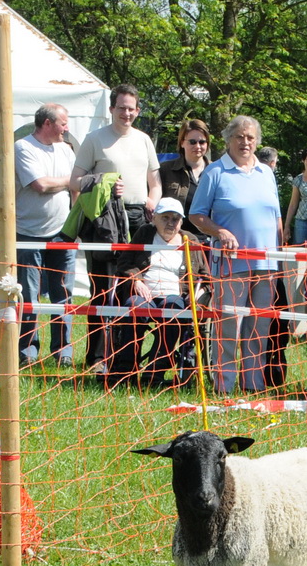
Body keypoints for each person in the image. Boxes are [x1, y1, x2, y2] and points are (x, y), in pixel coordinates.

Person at [189, 114, 282, 393]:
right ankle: (224, 386)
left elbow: (276, 217)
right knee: (228, 325)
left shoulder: (266, 173)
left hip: (267, 263)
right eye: (239, 136)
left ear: (257, 141)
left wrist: (280, 252)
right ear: (228, 139)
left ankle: (253, 384)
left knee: (259, 328)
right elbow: (196, 215)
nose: (245, 142)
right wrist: (220, 232)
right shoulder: (215, 172)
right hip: (231, 263)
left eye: (250, 137)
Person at [73, 84, 162, 368]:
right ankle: (97, 357)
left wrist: (152, 201)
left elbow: (155, 182)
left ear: (138, 111)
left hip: (137, 218)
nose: (127, 113)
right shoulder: (94, 139)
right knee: (102, 289)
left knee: (132, 288)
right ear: (111, 109)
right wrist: (105, 182)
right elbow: (75, 180)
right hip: (105, 220)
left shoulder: (144, 140)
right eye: (121, 108)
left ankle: (125, 358)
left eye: (131, 109)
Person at [106, 198, 201, 387]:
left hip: (175, 295)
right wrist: (136, 280)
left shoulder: (190, 240)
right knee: (134, 306)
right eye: (165, 217)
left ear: (181, 222)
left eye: (175, 219)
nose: (170, 223)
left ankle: (155, 371)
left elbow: (204, 275)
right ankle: (126, 369)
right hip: (144, 292)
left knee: (173, 309)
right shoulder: (144, 233)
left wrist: (198, 293)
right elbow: (124, 262)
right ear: (154, 218)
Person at [15, 103, 78, 366]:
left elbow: (76, 187)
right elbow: (39, 184)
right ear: (48, 123)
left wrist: (76, 224)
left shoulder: (65, 150)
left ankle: (63, 352)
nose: (66, 128)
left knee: (63, 294)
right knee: (30, 296)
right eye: (63, 123)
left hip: (63, 234)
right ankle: (28, 351)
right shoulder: (23, 147)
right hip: (28, 233)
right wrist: (68, 180)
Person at [159, 118, 211, 208]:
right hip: (176, 217)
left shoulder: (217, 171)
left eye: (202, 142)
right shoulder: (165, 170)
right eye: (192, 142)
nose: (197, 146)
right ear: (182, 143)